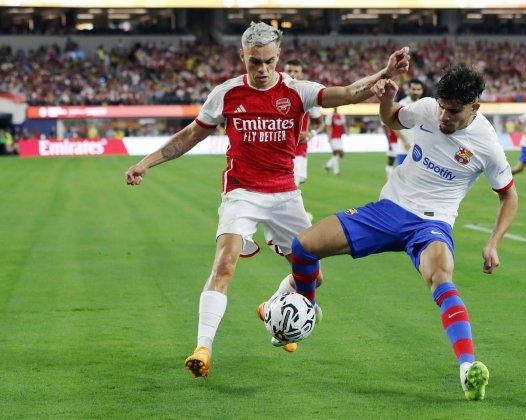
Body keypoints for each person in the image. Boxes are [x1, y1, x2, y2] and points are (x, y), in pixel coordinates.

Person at [124, 21, 411, 380]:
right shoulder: (226, 94)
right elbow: (189, 136)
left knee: (314, 277)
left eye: (269, 62)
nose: (262, 70)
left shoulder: (299, 91)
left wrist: (385, 72)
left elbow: (350, 93)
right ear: (242, 56)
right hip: (241, 192)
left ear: (279, 57)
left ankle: (272, 306)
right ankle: (203, 347)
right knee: (224, 263)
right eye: (254, 62)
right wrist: (146, 163)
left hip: (286, 195)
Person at [282, 64, 518, 400]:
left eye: (453, 111)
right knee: (303, 245)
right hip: (387, 210)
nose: (443, 117)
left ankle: (468, 367)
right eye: (442, 107)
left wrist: (494, 243)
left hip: (431, 224)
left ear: (474, 108)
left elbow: (508, 195)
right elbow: (391, 119)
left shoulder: (488, 147)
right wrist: (387, 99)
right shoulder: (427, 110)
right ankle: (306, 309)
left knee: (440, 277)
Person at [283, 59, 324, 190]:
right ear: (284, 72)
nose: (292, 74)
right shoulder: (272, 93)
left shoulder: (308, 95)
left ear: (301, 75)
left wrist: (311, 133)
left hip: (298, 149)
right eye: (289, 71)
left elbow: (320, 123)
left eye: (296, 71)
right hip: (277, 148)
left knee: (291, 189)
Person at [390, 79, 426, 165]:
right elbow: (393, 126)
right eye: (413, 89)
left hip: (420, 150)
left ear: (422, 91)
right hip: (404, 149)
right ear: (409, 90)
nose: (416, 92)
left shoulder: (424, 105)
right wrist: (405, 141)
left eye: (418, 89)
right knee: (403, 177)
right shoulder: (402, 105)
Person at [323, 107, 347, 176]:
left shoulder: (341, 116)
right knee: (337, 153)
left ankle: (327, 166)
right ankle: (336, 172)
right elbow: (328, 127)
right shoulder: (330, 116)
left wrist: (347, 131)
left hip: (339, 138)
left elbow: (343, 125)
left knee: (340, 154)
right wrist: (329, 137)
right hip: (333, 138)